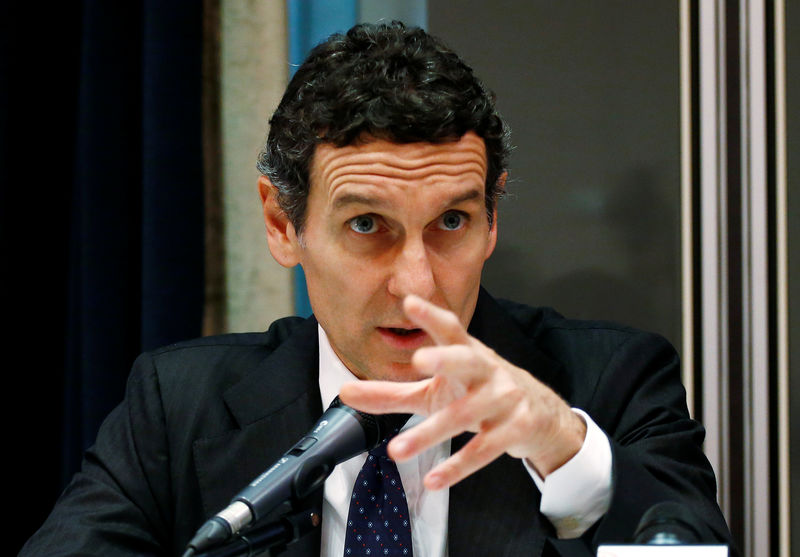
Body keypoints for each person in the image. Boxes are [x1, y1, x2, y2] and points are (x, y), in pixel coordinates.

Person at [21, 21, 734, 557]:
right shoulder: (178, 406)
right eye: (369, 224)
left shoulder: (612, 381)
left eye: (451, 221)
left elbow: (684, 534)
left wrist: (564, 447)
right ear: (281, 222)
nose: (418, 283)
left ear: (493, 219)